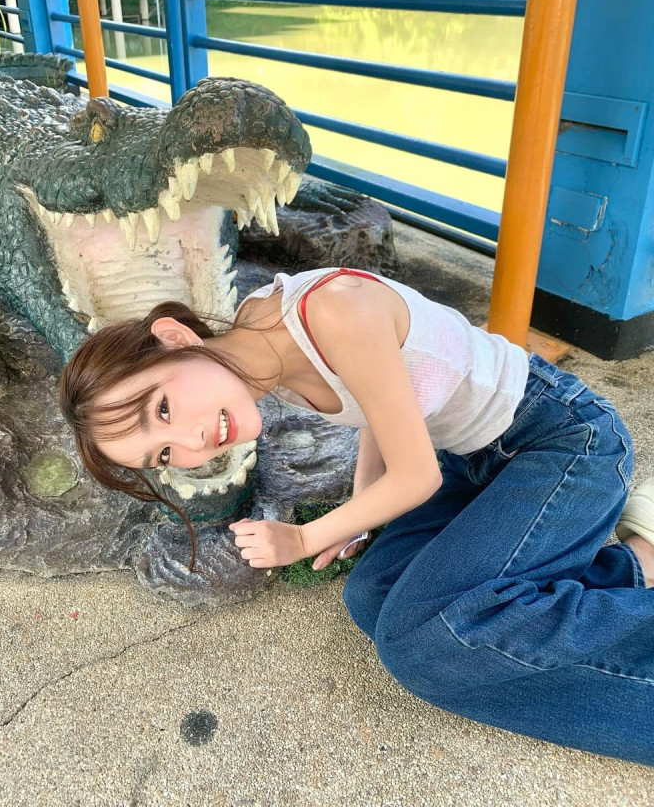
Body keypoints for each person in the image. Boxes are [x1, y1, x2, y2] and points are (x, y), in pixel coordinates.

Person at [59, 265, 654, 766]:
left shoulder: (332, 312)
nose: (192, 442)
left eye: (162, 409)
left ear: (173, 338)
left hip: (562, 445)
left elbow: (416, 477)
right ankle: (634, 565)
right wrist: (362, 509)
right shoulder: (254, 358)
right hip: (473, 463)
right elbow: (378, 408)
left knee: (426, 648)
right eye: (164, 455)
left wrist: (303, 538)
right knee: (374, 596)